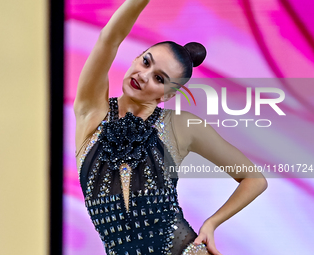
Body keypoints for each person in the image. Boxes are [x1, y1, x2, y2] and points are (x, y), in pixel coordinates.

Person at [74, 1, 268, 254]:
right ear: (135, 58)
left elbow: (254, 179)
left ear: (168, 94)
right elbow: (109, 38)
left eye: (159, 78)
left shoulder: (182, 126)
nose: (143, 75)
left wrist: (211, 223)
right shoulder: (92, 112)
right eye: (146, 62)